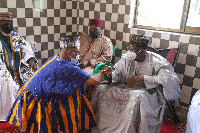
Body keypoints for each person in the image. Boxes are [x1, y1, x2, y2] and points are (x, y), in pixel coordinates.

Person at [6, 35, 112, 133]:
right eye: (77, 53)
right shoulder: (69, 68)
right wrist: (103, 72)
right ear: (69, 52)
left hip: (28, 97)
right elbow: (94, 81)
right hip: (36, 103)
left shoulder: (54, 58)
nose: (78, 56)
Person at [91, 34, 181, 133]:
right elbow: (117, 72)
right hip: (127, 86)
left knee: (135, 96)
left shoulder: (157, 61)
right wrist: (110, 74)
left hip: (148, 90)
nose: (130, 52)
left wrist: (144, 78)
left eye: (133, 50)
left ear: (142, 51)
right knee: (102, 88)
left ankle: (128, 129)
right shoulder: (127, 58)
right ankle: (107, 125)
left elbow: (168, 79)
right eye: (129, 49)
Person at [0, 12, 37, 121]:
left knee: (33, 78)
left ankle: (28, 111)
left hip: (18, 70)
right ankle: (9, 114)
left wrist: (31, 59)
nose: (8, 26)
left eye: (10, 23)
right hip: (2, 70)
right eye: (5, 24)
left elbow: (27, 48)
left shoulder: (16, 36)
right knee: (7, 83)